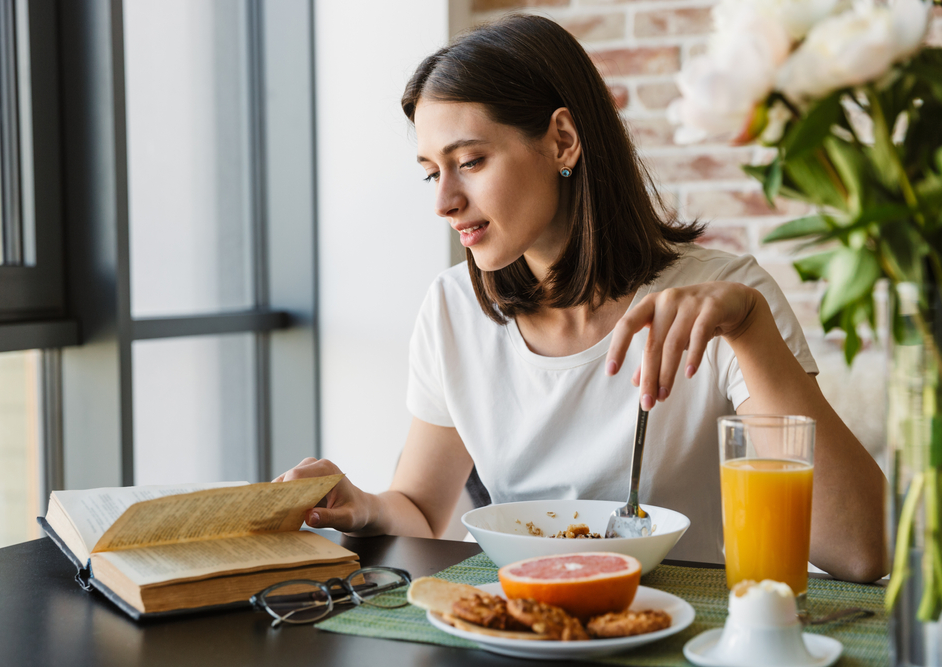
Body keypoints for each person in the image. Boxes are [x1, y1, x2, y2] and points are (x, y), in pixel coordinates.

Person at [275, 14, 887, 582]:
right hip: (519, 625)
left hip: (677, 626)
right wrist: (364, 506)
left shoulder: (730, 300)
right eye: (434, 172)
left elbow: (858, 550)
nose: (444, 201)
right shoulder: (452, 309)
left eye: (470, 161)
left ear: (563, 140)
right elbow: (420, 512)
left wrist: (750, 330)